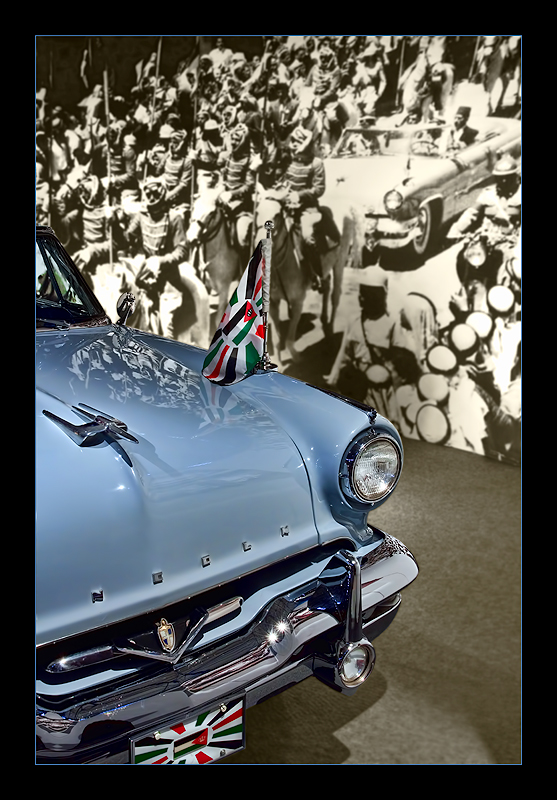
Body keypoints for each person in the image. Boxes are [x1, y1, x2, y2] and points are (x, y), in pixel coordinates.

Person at [215, 122, 256, 260]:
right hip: (225, 203)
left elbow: (248, 186)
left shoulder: (249, 160)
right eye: (232, 138)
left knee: (241, 236)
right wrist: (221, 187)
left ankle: (245, 270)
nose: (233, 142)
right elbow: (224, 176)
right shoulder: (229, 157)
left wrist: (231, 194)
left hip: (242, 207)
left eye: (237, 139)